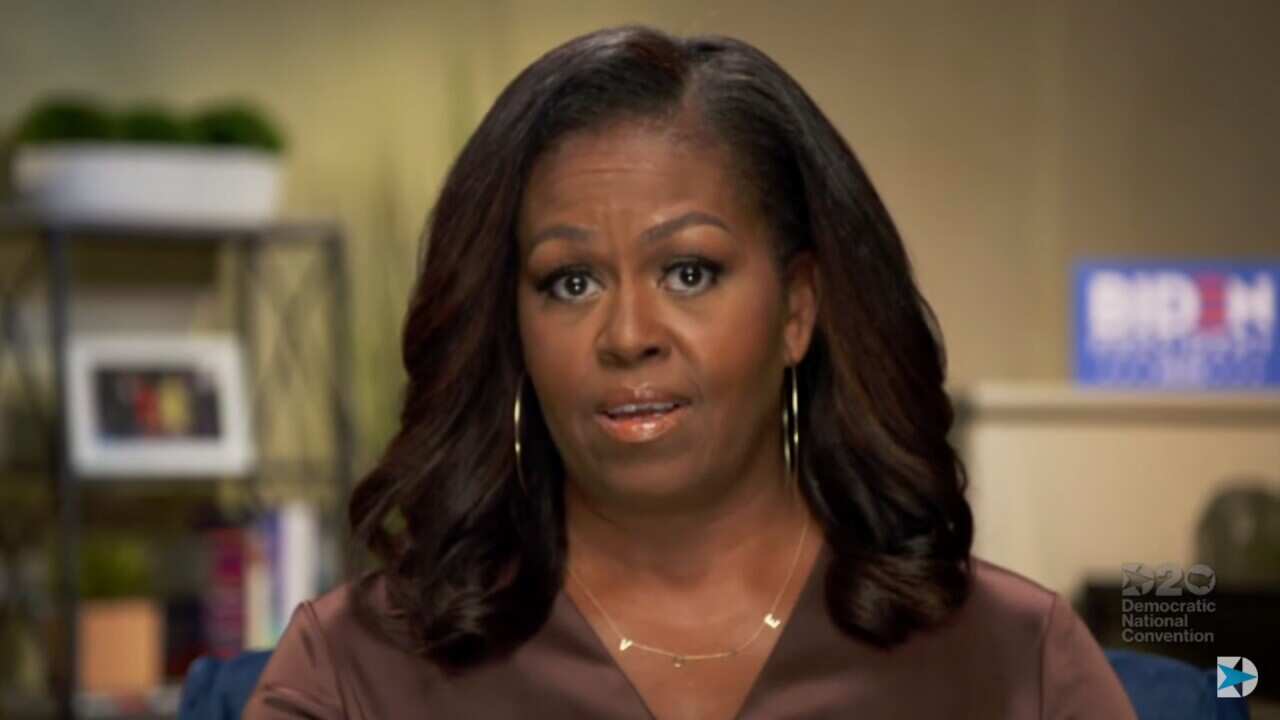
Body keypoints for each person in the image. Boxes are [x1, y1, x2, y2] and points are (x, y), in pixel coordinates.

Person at [246, 25, 1136, 719]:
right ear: (512, 328)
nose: (628, 334)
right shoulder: (357, 670)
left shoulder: (1015, 664)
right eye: (571, 281)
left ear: (797, 310)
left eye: (689, 272)